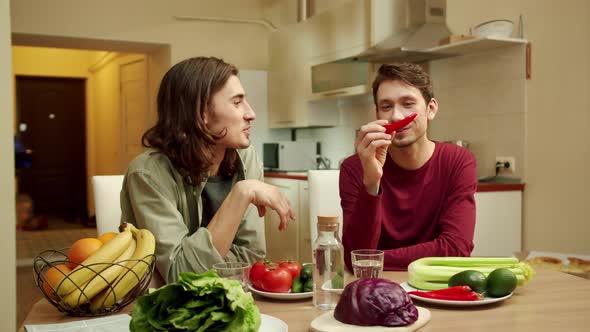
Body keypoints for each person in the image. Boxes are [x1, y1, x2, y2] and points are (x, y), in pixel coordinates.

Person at [120, 56, 295, 283]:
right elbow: (181, 275)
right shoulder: (147, 175)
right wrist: (241, 194)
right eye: (236, 102)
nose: (251, 113)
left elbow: (251, 257)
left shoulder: (247, 157)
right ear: (200, 113)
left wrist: (202, 261)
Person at [339, 63, 477, 271]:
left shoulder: (458, 161)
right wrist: (371, 182)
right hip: (376, 286)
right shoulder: (354, 168)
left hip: (433, 286)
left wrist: (375, 259)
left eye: (408, 103)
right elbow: (355, 257)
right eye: (386, 106)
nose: (396, 116)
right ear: (376, 112)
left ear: (431, 109)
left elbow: (456, 248)